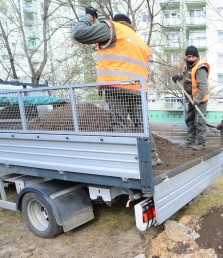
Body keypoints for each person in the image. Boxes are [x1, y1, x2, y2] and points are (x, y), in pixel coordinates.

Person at [71, 7, 162, 166]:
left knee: (119, 123)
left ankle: (126, 161)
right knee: (142, 125)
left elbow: (79, 33)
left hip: (117, 85)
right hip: (139, 90)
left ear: (117, 21)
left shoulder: (112, 28)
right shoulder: (138, 40)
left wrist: (89, 16)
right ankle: (153, 158)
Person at [171, 46, 210, 151]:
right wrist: (178, 77)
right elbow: (184, 75)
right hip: (190, 99)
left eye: (193, 57)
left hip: (200, 100)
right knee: (189, 120)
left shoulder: (200, 68)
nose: (191, 59)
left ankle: (201, 144)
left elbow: (203, 88)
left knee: (199, 122)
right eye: (189, 57)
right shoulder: (187, 65)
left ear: (196, 56)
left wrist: (196, 101)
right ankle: (190, 141)